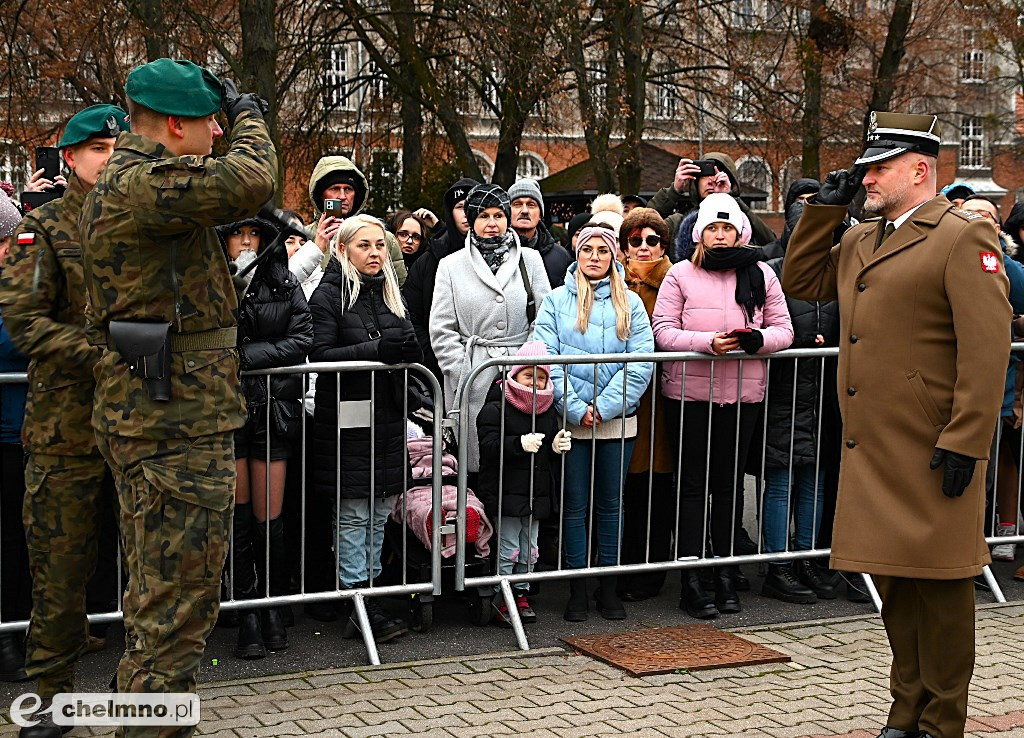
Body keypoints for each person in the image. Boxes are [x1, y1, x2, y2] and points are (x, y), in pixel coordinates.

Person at [784, 111, 1011, 738]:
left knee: (941, 589)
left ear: (920, 168)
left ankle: (943, 720)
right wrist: (824, 213)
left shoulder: (961, 236)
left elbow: (986, 348)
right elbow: (802, 281)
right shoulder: (861, 238)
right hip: (874, 445)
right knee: (894, 583)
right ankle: (905, 711)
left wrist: (967, 437)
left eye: (879, 167)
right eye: (865, 167)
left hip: (933, 443)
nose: (868, 177)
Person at [78, 59, 277, 724]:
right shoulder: (145, 181)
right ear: (172, 125)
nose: (217, 132)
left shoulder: (137, 179)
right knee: (177, 606)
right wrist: (250, 113)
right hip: (171, 424)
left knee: (161, 600)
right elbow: (252, 178)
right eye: (208, 122)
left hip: (167, 414)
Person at [0, 106, 128, 724]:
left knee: (151, 572)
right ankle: (46, 706)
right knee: (59, 574)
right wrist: (104, 354)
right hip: (66, 431)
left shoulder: (146, 223)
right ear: (70, 158)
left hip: (142, 426)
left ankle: (150, 704)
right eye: (98, 147)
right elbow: (25, 322)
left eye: (117, 146)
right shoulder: (43, 227)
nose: (109, 158)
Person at [652, 193, 793, 620]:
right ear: (700, 233)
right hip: (690, 396)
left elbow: (782, 329)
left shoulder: (763, 275)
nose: (719, 234)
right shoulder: (680, 274)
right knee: (692, 486)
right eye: (712, 227)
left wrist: (758, 340)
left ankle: (726, 572)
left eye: (727, 227)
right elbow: (663, 331)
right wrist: (704, 344)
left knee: (730, 487)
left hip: (743, 395)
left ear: (740, 232)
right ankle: (693, 577)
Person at [532, 225, 654, 623]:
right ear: (578, 254)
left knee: (611, 505)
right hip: (573, 423)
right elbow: (545, 356)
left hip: (616, 422)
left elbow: (640, 360)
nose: (595, 256)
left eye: (603, 250)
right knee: (575, 505)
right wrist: (574, 407)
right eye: (588, 250)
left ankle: (609, 586)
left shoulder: (631, 303)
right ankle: (578, 588)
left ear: (614, 255)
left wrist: (604, 406)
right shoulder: (554, 301)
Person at [307, 214, 420, 642]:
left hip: (388, 416)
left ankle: (368, 595)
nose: (374, 253)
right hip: (348, 417)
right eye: (364, 245)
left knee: (377, 512)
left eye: (379, 245)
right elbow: (320, 352)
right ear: (343, 249)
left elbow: (408, 342)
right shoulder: (328, 294)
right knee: (353, 514)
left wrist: (408, 351)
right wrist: (377, 349)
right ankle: (357, 598)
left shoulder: (391, 292)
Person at [219, 217, 312, 660]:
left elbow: (302, 338)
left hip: (274, 409)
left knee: (268, 516)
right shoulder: (216, 281)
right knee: (236, 516)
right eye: (237, 233)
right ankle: (246, 611)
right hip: (228, 410)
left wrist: (246, 358)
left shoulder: (283, 281)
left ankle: (271, 605)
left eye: (253, 233)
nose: (245, 242)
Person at [430, 183, 551, 476]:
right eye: (483, 216)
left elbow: (545, 317)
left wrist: (526, 365)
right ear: (471, 220)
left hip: (523, 375)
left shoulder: (530, 260)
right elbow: (441, 328)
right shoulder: (450, 265)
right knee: (478, 463)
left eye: (498, 215)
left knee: (521, 460)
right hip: (475, 373)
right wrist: (463, 370)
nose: (492, 223)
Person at [761, 196, 841, 605]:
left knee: (817, 479)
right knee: (782, 479)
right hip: (784, 393)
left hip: (825, 392)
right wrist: (801, 341)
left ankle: (807, 557)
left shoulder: (838, 273)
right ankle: (778, 565)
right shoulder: (772, 272)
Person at [476, 340, 570, 627]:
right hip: (507, 493)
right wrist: (518, 443)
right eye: (529, 376)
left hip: (535, 493)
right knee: (507, 548)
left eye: (541, 377)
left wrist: (554, 447)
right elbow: (489, 446)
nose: (535, 383)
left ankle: (521, 593)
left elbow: (546, 454)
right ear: (515, 375)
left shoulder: (547, 408)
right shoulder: (497, 405)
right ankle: (500, 595)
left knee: (530, 549)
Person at [614, 207, 676, 602]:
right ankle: (624, 565)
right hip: (621, 395)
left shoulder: (674, 280)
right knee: (626, 487)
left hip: (663, 399)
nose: (643, 248)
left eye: (651, 240)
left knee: (660, 484)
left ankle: (654, 570)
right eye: (635, 241)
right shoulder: (614, 281)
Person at [959, 196, 1024, 563]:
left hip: (994, 391)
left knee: (980, 476)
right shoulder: (942, 254)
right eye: (969, 212)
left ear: (999, 227)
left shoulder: (1009, 268)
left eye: (986, 214)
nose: (976, 219)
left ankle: (974, 556)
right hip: (940, 390)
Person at [0, 191, 31, 685]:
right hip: (6, 429)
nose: (10, 249)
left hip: (23, 432)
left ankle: (16, 632)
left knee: (21, 540)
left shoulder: (23, 283)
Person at [403, 177, 478, 378]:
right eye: (461, 206)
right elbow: (412, 316)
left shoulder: (505, 258)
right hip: (437, 367)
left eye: (474, 205)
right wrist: (433, 357)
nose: (467, 213)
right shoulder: (429, 261)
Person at [307, 154, 407, 286]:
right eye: (335, 189)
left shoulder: (384, 239)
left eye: (348, 189)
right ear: (321, 195)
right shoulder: (303, 237)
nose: (342, 196)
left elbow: (398, 285)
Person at [649, 153, 776, 249]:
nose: (711, 181)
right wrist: (674, 190)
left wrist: (731, 199)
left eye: (718, 174)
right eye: (705, 175)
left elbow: (772, 243)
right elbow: (642, 225)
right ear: (696, 182)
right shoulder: (678, 222)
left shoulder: (743, 221)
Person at [508, 178, 572, 288]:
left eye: (531, 205)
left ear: (540, 215)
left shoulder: (561, 258)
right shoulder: (493, 252)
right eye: (517, 204)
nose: (524, 211)